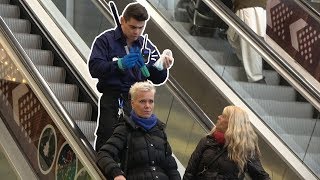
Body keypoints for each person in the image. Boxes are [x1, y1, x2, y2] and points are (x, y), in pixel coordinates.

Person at [88, 2, 174, 151]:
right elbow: (94, 68)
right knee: (108, 139)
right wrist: (118, 65)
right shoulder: (105, 41)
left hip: (136, 102)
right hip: (112, 99)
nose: (137, 32)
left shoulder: (145, 46)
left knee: (134, 145)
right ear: (122, 21)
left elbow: (157, 78)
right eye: (133, 27)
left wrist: (162, 66)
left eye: (141, 28)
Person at [96, 81, 181, 180]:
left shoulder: (159, 130)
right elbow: (103, 154)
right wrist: (117, 173)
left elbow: (171, 167)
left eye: (151, 101)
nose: (147, 106)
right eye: (142, 101)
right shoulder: (124, 129)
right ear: (132, 103)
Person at [183, 106, 270, 180]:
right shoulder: (207, 141)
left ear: (232, 123)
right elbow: (190, 172)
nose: (219, 117)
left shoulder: (245, 149)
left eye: (223, 116)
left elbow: (261, 176)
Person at [227, 0, 267, 83]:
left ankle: (257, 79)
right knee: (232, 37)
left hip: (248, 7)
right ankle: (250, 67)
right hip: (252, 7)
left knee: (250, 44)